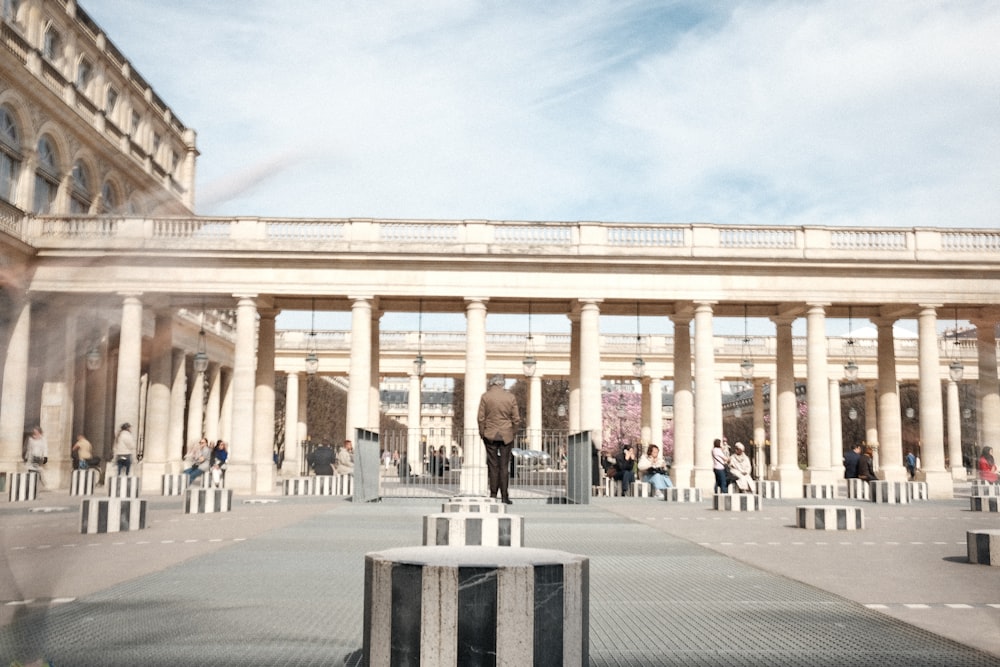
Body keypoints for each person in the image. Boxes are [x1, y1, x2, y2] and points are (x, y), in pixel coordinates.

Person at [477, 373, 521, 505]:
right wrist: (512, 432)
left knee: (493, 465)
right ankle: (505, 496)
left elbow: (480, 418)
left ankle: (493, 494)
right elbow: (516, 419)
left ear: (492, 383)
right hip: (506, 435)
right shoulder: (510, 397)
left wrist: (482, 432)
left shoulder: (485, 397)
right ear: (502, 384)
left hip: (490, 434)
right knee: (504, 466)